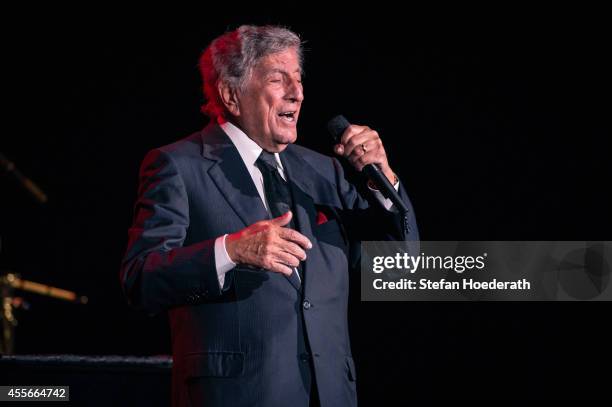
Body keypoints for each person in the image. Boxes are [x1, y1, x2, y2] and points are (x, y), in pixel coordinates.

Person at [120, 25, 418, 407]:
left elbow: (401, 265)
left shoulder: (326, 171)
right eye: (279, 79)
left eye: (299, 78)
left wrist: (383, 179)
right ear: (231, 94)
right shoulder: (178, 166)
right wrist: (230, 251)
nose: (297, 92)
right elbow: (140, 279)